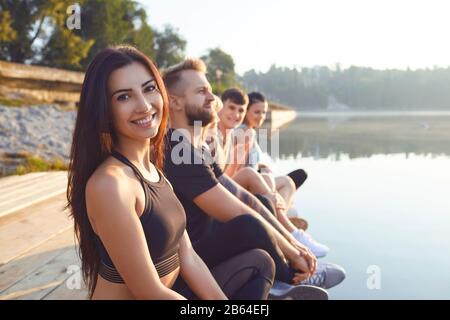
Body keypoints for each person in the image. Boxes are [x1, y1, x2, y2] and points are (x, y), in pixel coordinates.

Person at [66, 46, 276, 300]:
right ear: (103, 109)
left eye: (149, 88)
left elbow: (188, 258)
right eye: (123, 97)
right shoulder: (110, 185)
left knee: (261, 263)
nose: (144, 106)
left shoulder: (154, 170)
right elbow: (149, 292)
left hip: (171, 294)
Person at [162, 58, 345, 293]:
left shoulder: (196, 147)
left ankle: (293, 271)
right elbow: (237, 211)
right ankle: (294, 277)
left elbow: (241, 196)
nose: (212, 98)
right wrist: (292, 252)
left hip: (206, 240)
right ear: (175, 102)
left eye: (209, 90)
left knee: (262, 202)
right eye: (201, 91)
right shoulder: (178, 151)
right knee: (249, 224)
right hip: (188, 258)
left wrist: (294, 244)